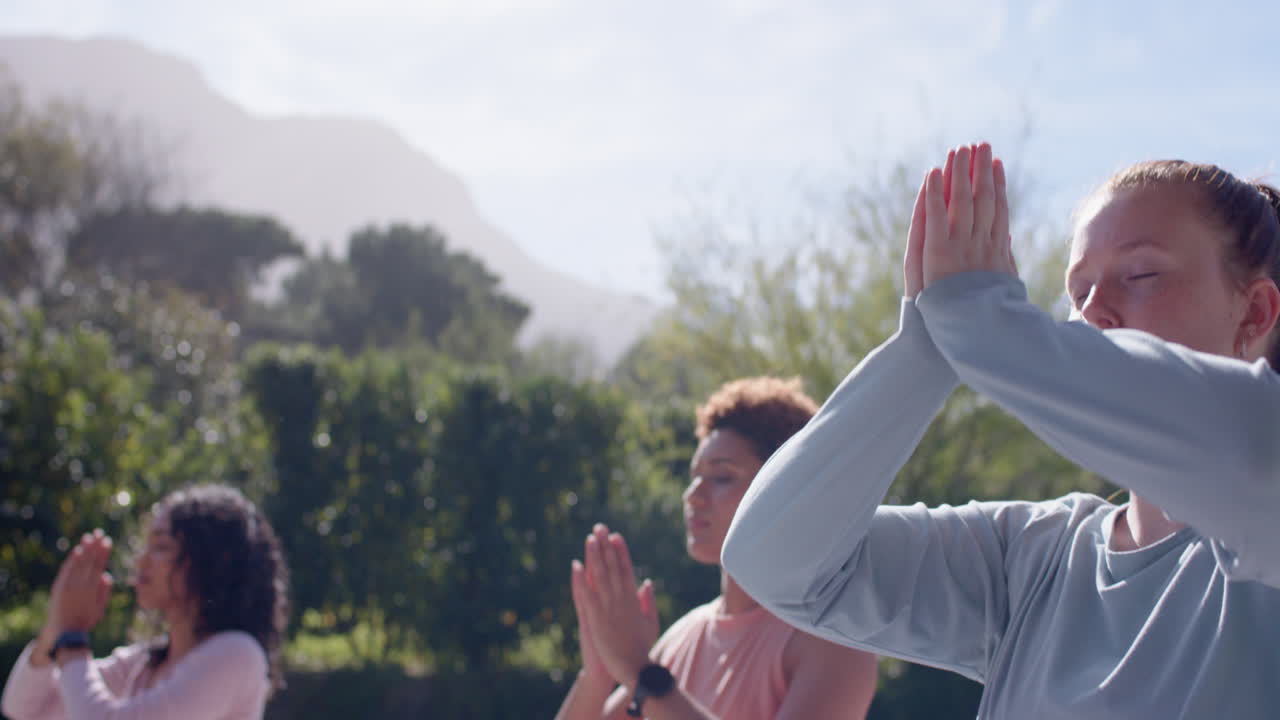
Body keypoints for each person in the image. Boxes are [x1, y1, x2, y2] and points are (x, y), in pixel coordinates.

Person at [721, 143, 1280, 718]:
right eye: (1077, 291)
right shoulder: (1032, 557)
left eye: (1141, 274)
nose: (1094, 312)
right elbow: (773, 560)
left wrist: (980, 322)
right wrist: (923, 351)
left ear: (1256, 313)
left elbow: (1250, 450)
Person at [555, 377, 878, 720]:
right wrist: (598, 672)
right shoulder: (684, 635)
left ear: (786, 490)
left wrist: (640, 672)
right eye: (694, 476)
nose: (692, 495)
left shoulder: (830, 642)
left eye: (722, 477)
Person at [2, 484, 290, 720]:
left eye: (161, 547)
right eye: (146, 545)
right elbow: (25, 709)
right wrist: (55, 629)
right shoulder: (141, 664)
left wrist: (71, 640)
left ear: (213, 562)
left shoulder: (237, 654)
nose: (141, 561)